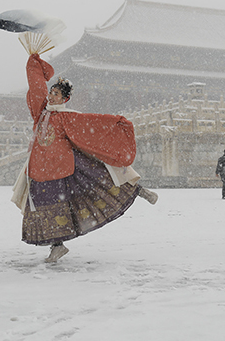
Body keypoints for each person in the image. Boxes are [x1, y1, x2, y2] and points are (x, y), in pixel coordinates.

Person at [11, 53, 158, 263]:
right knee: (48, 208)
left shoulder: (67, 117)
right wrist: (34, 64)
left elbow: (94, 124)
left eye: (56, 95)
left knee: (99, 180)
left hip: (64, 168)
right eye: (51, 92)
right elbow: (36, 89)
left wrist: (117, 122)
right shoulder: (40, 113)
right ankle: (57, 246)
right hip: (40, 170)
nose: (51, 97)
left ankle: (139, 191)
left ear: (65, 99)